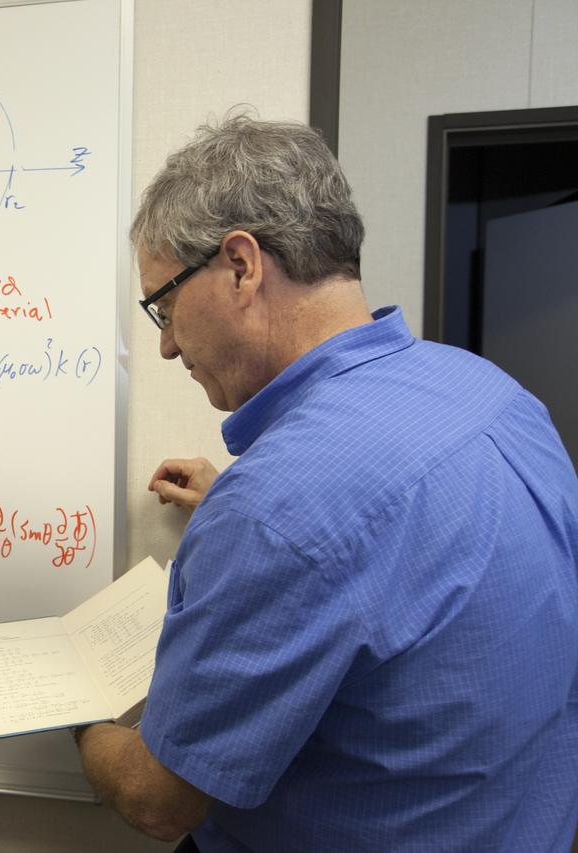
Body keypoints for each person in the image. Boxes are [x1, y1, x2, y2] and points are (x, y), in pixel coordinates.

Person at [75, 115, 578, 851]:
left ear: (242, 266)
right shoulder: (499, 399)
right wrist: (242, 510)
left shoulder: (277, 509)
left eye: (164, 304)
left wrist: (80, 717)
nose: (166, 343)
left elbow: (159, 801)